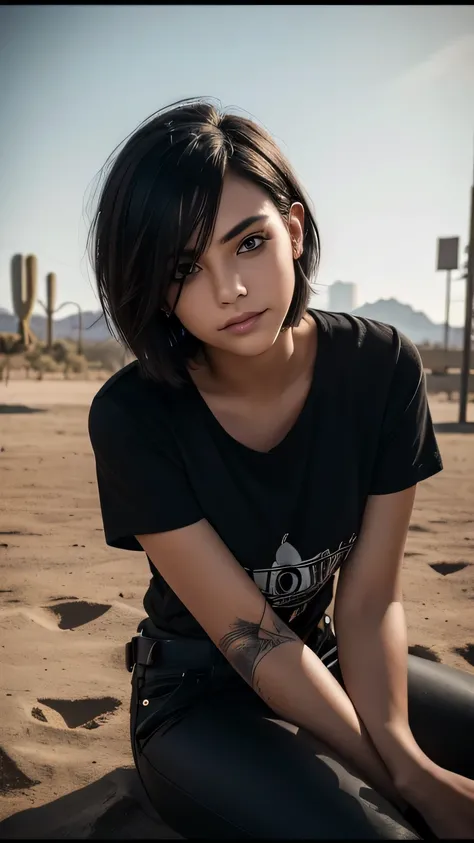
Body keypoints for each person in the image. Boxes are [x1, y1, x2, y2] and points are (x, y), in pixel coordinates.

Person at [87, 97, 474, 840]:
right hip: (197, 698)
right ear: (155, 286)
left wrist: (401, 752)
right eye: (184, 269)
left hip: (329, 656)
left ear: (293, 230)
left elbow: (368, 602)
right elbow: (253, 639)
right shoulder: (134, 416)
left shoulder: (383, 368)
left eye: (248, 244)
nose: (228, 289)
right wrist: (408, 780)